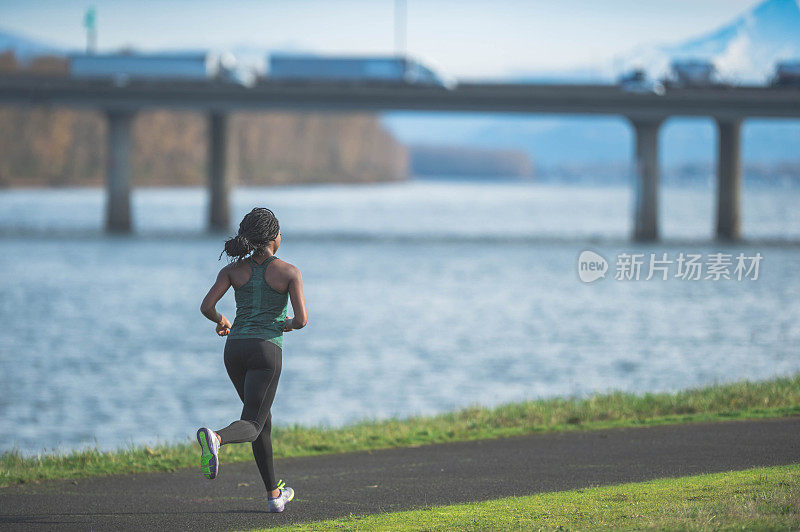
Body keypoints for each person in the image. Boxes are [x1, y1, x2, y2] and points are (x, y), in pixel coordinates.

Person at [196, 207, 307, 513]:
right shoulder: (289, 272)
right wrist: (283, 324)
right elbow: (301, 320)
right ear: (275, 237)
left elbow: (207, 306)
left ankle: (274, 496)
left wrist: (221, 320)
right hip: (265, 350)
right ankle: (216, 437)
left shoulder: (232, 271)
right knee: (254, 423)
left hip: (234, 350)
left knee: (260, 420)